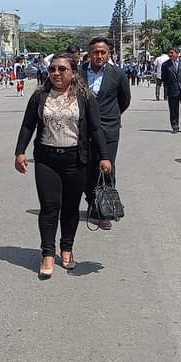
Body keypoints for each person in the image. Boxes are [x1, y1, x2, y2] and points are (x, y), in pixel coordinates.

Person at [15, 53, 111, 279]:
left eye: (62, 69)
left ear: (74, 73)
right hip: (46, 159)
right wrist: (20, 151)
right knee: (49, 207)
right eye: (52, 69)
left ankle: (66, 248)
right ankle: (47, 253)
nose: (56, 73)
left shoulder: (84, 97)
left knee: (70, 207)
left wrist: (104, 156)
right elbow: (28, 125)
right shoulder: (40, 96)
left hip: (76, 159)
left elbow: (96, 128)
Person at [80, 38, 130, 230]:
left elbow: (124, 100)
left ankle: (106, 210)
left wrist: (111, 116)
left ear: (109, 54)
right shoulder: (79, 72)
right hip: (84, 128)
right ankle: (93, 203)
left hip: (108, 128)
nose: (99, 56)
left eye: (103, 52)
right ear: (90, 53)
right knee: (86, 168)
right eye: (96, 52)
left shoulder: (118, 74)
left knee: (106, 166)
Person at [160, 47, 181, 133]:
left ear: (177, 54)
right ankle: (175, 126)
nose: (170, 54)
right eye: (169, 53)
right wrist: (170, 85)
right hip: (172, 89)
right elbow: (164, 77)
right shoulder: (165, 65)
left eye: (172, 53)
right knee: (173, 109)